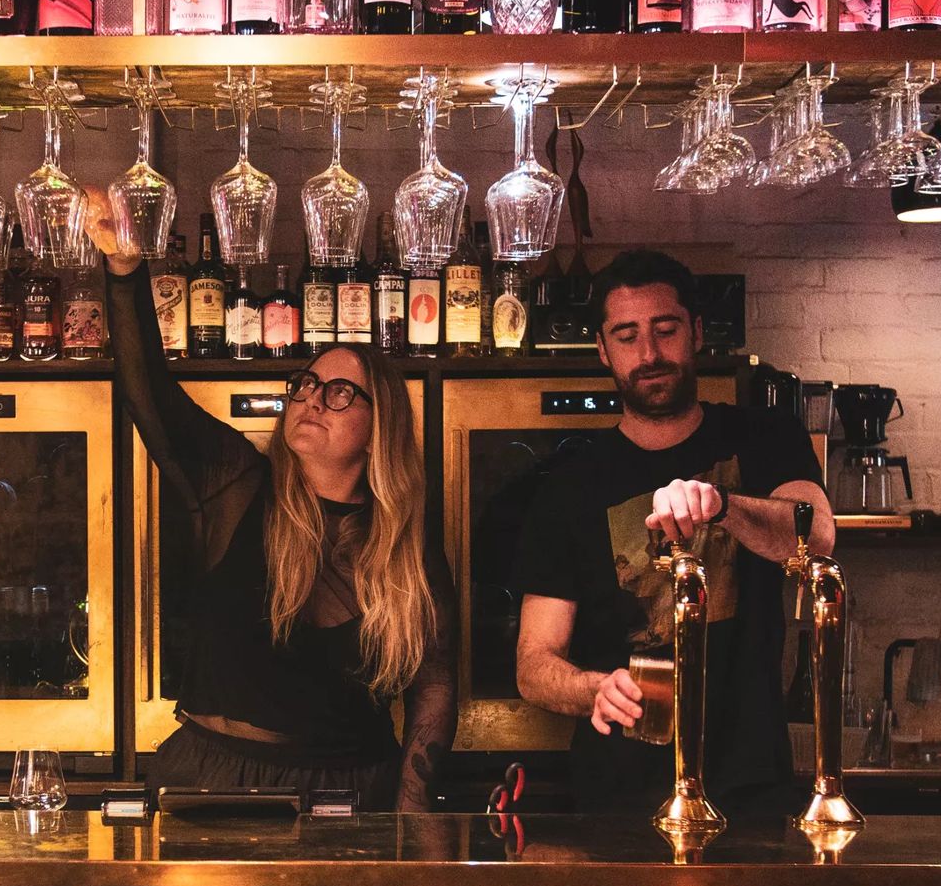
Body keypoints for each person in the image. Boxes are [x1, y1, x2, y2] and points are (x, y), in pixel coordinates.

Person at [85, 189, 458, 812]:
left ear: (379, 432)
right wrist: (125, 273)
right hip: (209, 780)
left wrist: (413, 811)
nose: (312, 399)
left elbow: (435, 686)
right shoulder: (239, 486)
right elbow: (150, 395)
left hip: (349, 789)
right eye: (307, 384)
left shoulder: (403, 546)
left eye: (341, 393)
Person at [512, 249, 832, 816]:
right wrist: (593, 689)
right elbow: (534, 665)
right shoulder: (568, 486)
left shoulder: (762, 436)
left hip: (750, 787)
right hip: (618, 798)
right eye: (628, 335)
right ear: (603, 349)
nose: (650, 353)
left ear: (697, 333)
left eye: (666, 330)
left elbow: (817, 537)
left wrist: (722, 504)